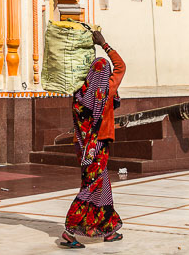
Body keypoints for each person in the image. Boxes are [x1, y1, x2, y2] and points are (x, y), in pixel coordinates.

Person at [61, 29, 126, 248]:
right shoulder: (107, 89)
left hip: (84, 147)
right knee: (91, 187)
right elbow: (121, 67)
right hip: (98, 146)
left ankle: (108, 230)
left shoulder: (80, 95)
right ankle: (70, 232)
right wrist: (104, 44)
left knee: (102, 186)